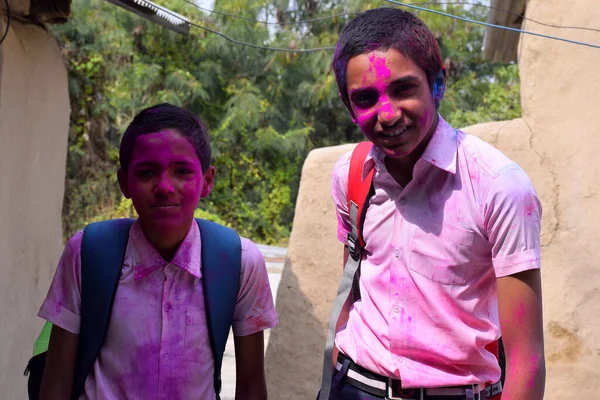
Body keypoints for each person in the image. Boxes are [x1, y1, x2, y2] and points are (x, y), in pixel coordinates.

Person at [325, 7, 545, 400]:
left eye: (404, 89)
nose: (387, 114)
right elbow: (354, 282)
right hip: (355, 386)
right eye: (365, 98)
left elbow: (526, 359)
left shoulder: (499, 186)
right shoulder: (352, 173)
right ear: (348, 104)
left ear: (438, 83)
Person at [38, 103, 278, 399]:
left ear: (208, 181)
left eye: (182, 171)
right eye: (147, 172)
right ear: (124, 182)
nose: (164, 187)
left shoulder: (240, 262)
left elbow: (252, 388)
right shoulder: (87, 253)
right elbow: (56, 383)